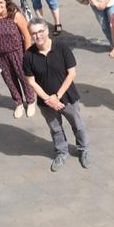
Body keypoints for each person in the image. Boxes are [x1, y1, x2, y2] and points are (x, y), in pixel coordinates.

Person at [23, 18, 90, 172]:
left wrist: (57, 96)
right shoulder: (28, 55)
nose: (38, 36)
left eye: (40, 31)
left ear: (47, 31)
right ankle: (61, 151)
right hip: (46, 102)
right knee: (55, 128)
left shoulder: (61, 47)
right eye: (34, 33)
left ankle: (83, 149)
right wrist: (48, 99)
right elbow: (31, 82)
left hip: (67, 97)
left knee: (77, 124)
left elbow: (72, 73)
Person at [0, 0, 36, 119]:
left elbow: (27, 36)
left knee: (24, 77)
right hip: (0, 55)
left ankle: (30, 101)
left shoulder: (15, 15)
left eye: (1, 2)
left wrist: (27, 54)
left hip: (17, 52)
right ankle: (18, 102)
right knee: (9, 80)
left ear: (6, 2)